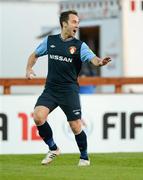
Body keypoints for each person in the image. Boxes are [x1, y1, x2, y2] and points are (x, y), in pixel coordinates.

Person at [26, 10, 111, 166]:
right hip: (51, 89)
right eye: (74, 22)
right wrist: (29, 69)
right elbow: (34, 55)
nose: (77, 25)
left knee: (75, 125)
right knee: (38, 116)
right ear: (64, 24)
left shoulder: (79, 46)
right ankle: (53, 148)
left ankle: (84, 157)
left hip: (69, 90)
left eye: (78, 23)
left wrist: (100, 62)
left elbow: (93, 59)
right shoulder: (50, 41)